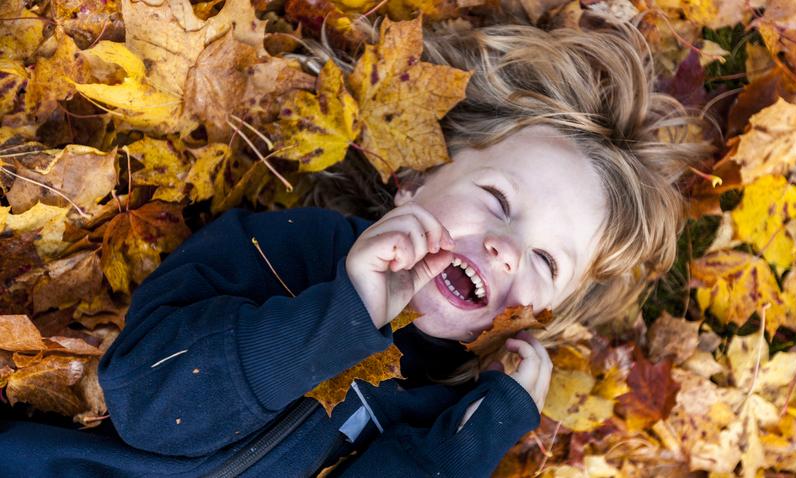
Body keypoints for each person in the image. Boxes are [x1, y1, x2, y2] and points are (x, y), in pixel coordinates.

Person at [0, 12, 711, 478]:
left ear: (548, 312)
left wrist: (470, 442)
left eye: (547, 262)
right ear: (416, 179)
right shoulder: (283, 252)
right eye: (497, 201)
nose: (503, 248)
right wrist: (340, 316)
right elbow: (147, 404)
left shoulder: (446, 417)